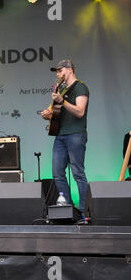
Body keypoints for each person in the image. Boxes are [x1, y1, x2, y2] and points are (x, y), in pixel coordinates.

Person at [41, 59, 89, 214]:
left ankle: (83, 211)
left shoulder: (80, 86)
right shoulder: (61, 90)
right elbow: (55, 113)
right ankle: (69, 209)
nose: (58, 74)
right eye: (57, 71)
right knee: (57, 173)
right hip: (60, 136)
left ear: (69, 70)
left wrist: (63, 101)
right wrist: (47, 114)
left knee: (78, 173)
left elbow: (80, 111)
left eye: (60, 70)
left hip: (75, 134)